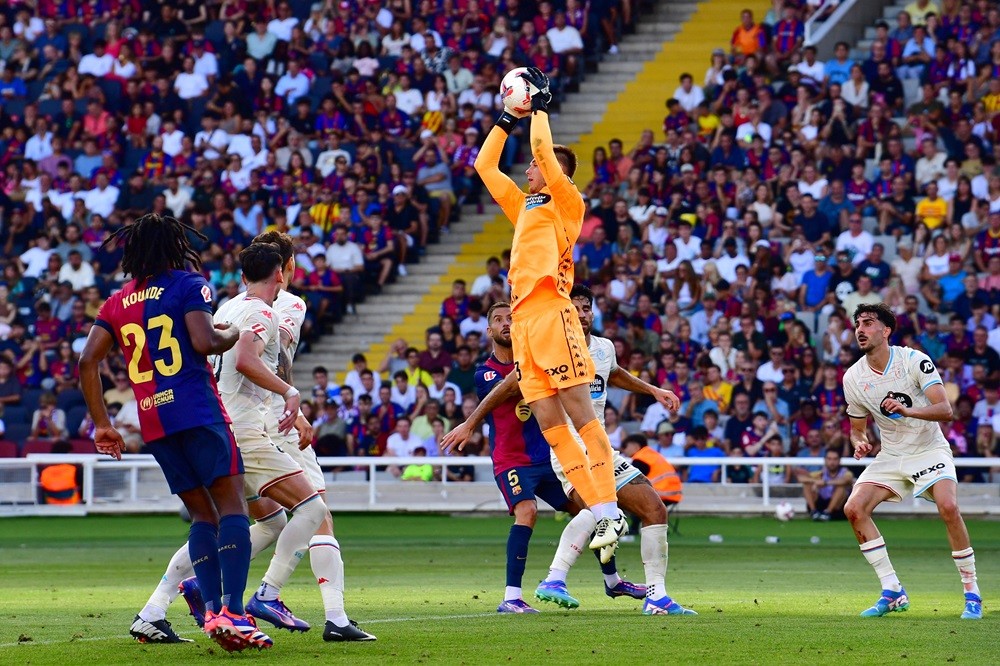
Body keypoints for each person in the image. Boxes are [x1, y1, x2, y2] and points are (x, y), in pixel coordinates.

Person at [78, 213, 270, 650]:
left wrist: (103, 425)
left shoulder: (115, 303)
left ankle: (214, 616)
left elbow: (87, 362)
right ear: (175, 247)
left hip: (154, 422)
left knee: (202, 515)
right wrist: (233, 331)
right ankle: (233, 612)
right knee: (233, 507)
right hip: (197, 410)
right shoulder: (188, 284)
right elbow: (204, 342)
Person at [174, 233, 375, 642]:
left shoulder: (226, 305)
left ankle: (171, 600)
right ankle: (279, 598)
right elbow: (271, 359)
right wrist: (293, 401)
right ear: (284, 269)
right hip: (265, 425)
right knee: (316, 512)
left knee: (250, 520)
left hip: (223, 423)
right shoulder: (284, 306)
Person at [474, 66, 626, 549]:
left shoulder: (566, 202)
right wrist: (506, 116)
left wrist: (539, 107)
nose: (530, 169)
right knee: (552, 424)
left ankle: (609, 510)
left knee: (583, 416)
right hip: (523, 322)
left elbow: (543, 151)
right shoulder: (525, 207)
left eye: (538, 167)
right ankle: (600, 512)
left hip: (553, 312)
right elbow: (484, 166)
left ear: (558, 173)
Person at [843, 303, 982, 620]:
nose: (860, 330)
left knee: (948, 507)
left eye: (868, 323)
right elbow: (856, 429)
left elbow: (945, 410)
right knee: (853, 509)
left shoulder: (913, 361)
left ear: (886, 330)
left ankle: (972, 593)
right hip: (892, 455)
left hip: (929, 448)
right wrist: (860, 443)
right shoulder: (853, 377)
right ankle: (892, 591)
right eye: (857, 324)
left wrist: (907, 411)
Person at [443, 301, 578, 613]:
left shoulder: (536, 362)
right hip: (512, 461)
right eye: (499, 320)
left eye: (512, 319)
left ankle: (612, 581)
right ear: (489, 331)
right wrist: (471, 423)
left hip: (548, 458)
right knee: (527, 511)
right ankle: (512, 597)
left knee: (585, 509)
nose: (507, 324)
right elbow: (515, 383)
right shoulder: (484, 374)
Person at [798, 448, 853, 521]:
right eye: (829, 459)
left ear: (839, 461)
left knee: (841, 487)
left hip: (838, 508)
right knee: (807, 485)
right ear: (825, 460)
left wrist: (826, 483)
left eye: (835, 459)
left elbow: (847, 480)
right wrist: (815, 481)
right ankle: (814, 512)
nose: (832, 462)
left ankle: (828, 512)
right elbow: (801, 478)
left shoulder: (845, 472)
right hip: (822, 504)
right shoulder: (821, 473)